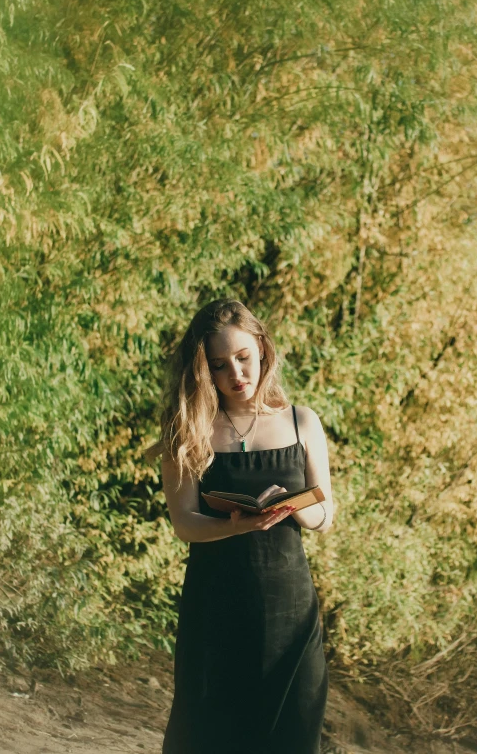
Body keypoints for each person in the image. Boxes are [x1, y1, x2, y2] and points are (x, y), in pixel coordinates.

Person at [148, 298, 334, 754]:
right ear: (203, 371)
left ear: (263, 350)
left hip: (291, 612)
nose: (236, 373)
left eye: (244, 357)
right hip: (216, 609)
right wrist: (237, 526)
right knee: (211, 733)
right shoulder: (189, 429)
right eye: (219, 364)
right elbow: (185, 524)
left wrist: (293, 508)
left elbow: (325, 517)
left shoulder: (302, 422)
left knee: (292, 734)